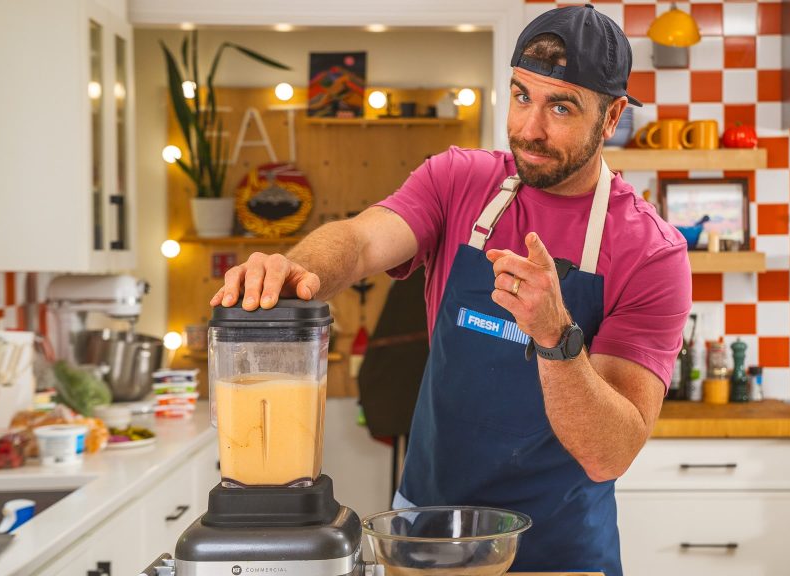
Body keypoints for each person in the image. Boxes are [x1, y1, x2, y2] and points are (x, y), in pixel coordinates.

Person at [210, 5, 691, 574]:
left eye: (561, 107)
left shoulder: (651, 251)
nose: (530, 128)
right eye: (520, 96)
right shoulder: (458, 180)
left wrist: (556, 340)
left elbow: (609, 452)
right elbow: (361, 241)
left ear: (611, 117)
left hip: (558, 549)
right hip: (428, 535)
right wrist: (296, 270)